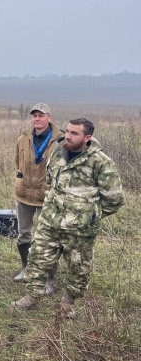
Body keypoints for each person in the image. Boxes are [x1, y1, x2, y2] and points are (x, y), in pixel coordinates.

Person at [12, 118, 124, 318]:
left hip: (79, 229)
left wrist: (88, 216)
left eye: (74, 133)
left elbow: (114, 200)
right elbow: (50, 182)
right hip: (50, 221)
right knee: (37, 257)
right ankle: (32, 296)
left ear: (87, 138)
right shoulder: (58, 154)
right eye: (68, 131)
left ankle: (69, 301)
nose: (68, 136)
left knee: (78, 267)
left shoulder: (100, 162)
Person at [12, 103, 63, 294]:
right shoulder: (23, 139)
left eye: (41, 116)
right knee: (24, 234)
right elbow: (18, 162)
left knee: (49, 238)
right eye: (34, 116)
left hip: (47, 196)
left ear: (49, 117)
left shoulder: (61, 140)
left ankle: (50, 279)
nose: (37, 119)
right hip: (24, 193)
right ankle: (26, 268)